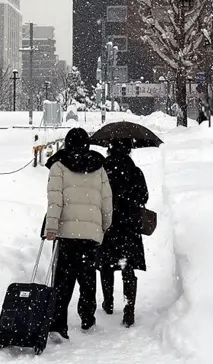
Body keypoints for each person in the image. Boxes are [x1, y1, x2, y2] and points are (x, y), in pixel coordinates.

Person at [43, 127, 113, 338]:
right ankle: (87, 318)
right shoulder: (98, 167)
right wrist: (104, 225)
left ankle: (58, 324)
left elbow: (55, 200)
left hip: (66, 233)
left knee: (63, 281)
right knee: (87, 277)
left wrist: (52, 228)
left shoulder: (59, 166)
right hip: (90, 234)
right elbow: (106, 201)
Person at [96, 137, 149, 327]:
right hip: (129, 227)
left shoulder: (103, 170)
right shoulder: (135, 171)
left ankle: (108, 302)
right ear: (128, 150)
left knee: (106, 265)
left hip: (108, 225)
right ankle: (129, 308)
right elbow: (144, 196)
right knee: (127, 266)